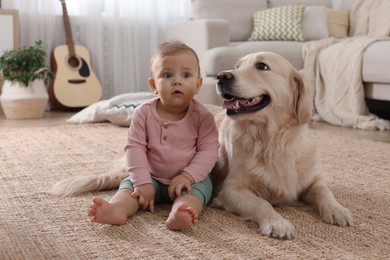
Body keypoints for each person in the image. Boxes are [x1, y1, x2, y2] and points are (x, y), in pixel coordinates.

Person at [88, 41, 219, 230]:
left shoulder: (203, 117)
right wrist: (142, 181)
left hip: (190, 180)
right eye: (167, 75)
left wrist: (188, 176)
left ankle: (181, 212)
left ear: (198, 84)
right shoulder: (143, 113)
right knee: (128, 189)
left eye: (186, 75)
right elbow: (135, 148)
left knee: (199, 192)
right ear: (153, 85)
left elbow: (209, 152)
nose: (177, 81)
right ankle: (117, 208)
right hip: (151, 175)